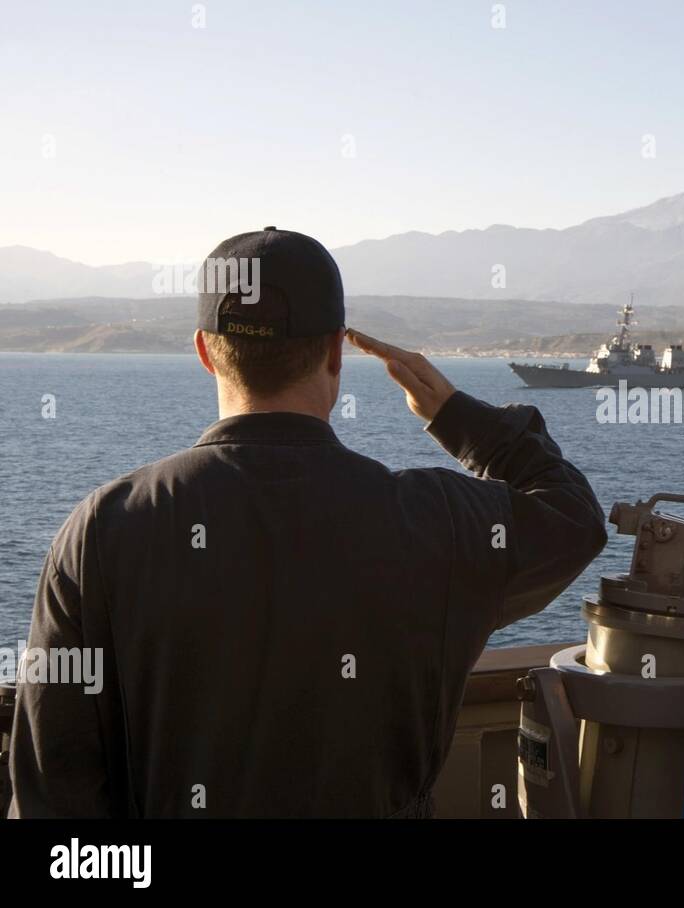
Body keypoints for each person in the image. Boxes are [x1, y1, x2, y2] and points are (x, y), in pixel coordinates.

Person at [7, 227, 606, 817]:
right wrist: (457, 416)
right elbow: (572, 517)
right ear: (335, 352)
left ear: (204, 352)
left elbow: (55, 788)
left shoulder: (102, 530)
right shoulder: (437, 521)